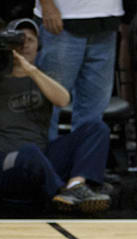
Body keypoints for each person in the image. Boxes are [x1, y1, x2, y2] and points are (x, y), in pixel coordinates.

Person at [0, 18, 111, 213]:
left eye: (31, 40)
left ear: (39, 45)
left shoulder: (42, 77)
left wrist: (31, 70)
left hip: (43, 158)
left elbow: (63, 100)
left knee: (96, 128)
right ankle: (62, 191)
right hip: (9, 162)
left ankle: (75, 186)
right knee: (29, 152)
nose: (25, 44)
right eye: (19, 40)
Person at [33, 0, 123, 140]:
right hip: (61, 21)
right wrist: (47, 5)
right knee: (47, 106)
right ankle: (43, 160)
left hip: (107, 21)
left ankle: (85, 160)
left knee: (94, 110)